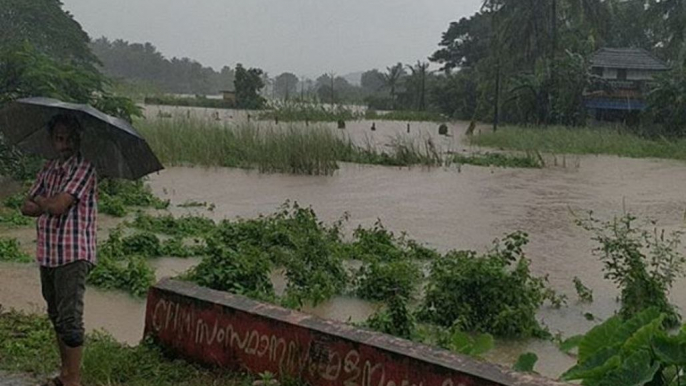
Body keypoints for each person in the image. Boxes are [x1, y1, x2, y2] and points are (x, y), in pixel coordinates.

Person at [20, 114, 97, 386]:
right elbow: (24, 207)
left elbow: (58, 206)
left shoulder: (84, 168)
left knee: (70, 319)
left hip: (73, 253)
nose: (63, 144)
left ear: (77, 139)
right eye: (59, 138)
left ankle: (73, 380)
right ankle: (65, 374)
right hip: (49, 252)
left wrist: (42, 201)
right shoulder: (48, 168)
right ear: (52, 139)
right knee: (55, 315)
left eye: (69, 139)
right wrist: (45, 202)